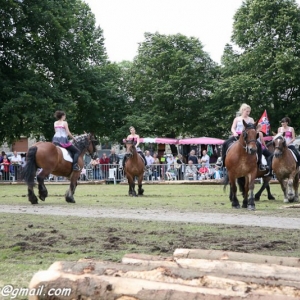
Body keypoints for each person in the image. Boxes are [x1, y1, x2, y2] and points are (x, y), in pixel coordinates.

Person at [221, 103, 265, 171]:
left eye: (249, 111)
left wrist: (258, 128)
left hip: (248, 137)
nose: (248, 113)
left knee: (259, 145)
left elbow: (254, 129)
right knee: (225, 143)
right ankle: (222, 161)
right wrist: (234, 132)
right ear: (242, 110)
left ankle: (260, 163)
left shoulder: (251, 119)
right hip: (237, 136)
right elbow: (232, 128)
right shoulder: (237, 119)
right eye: (247, 111)